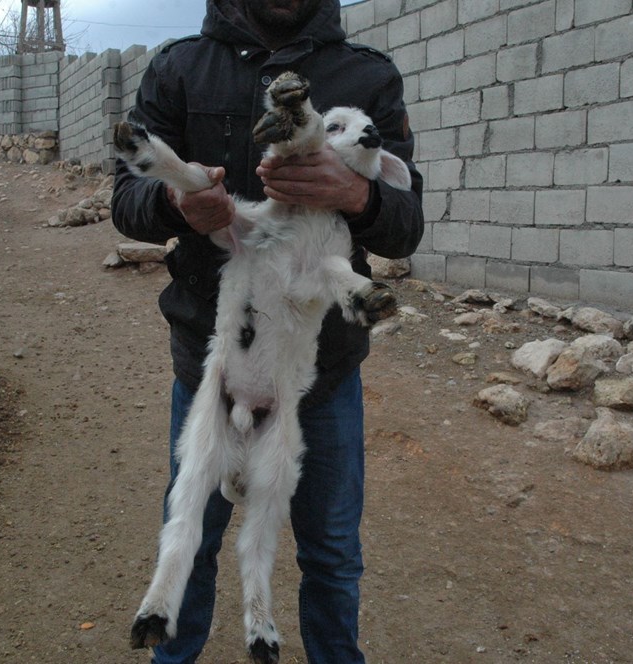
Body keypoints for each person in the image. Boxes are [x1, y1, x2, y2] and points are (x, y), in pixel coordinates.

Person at [111, 1, 424, 662]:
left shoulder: (367, 76)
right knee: (191, 530)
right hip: (210, 365)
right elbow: (125, 201)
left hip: (321, 373)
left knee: (333, 555)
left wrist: (355, 194)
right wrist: (175, 203)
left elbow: (404, 221)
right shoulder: (179, 69)